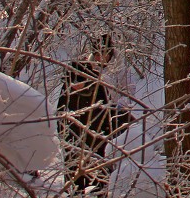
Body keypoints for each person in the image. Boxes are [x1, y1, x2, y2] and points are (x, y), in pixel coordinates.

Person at [56, 34, 133, 197]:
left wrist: (118, 105)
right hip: (81, 124)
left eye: (104, 53)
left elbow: (128, 94)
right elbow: (65, 100)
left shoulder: (120, 70)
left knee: (101, 165)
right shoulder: (82, 68)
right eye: (97, 53)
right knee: (75, 165)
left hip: (106, 124)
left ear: (110, 54)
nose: (100, 57)